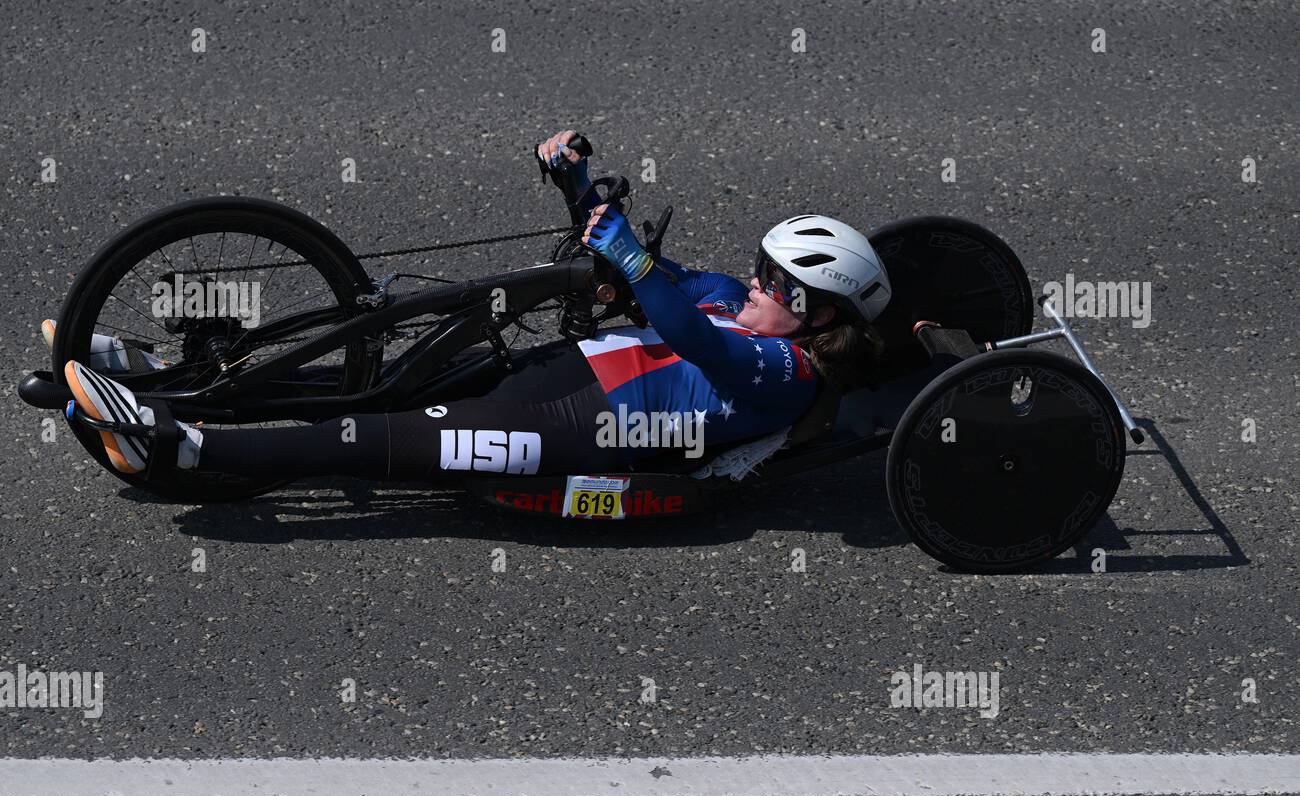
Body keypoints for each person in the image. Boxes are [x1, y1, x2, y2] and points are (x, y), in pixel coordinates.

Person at [59, 130, 892, 481]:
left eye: (782, 286)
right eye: (762, 267)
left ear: (823, 318)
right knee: (376, 385)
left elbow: (682, 331)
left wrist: (634, 262)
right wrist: (573, 180)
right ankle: (170, 376)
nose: (757, 285)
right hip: (555, 372)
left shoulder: (789, 374)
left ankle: (180, 447)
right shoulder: (732, 302)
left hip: (573, 432)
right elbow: (639, 265)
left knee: (365, 441)